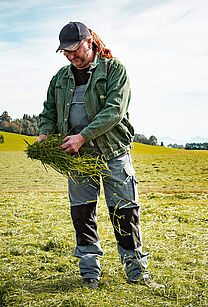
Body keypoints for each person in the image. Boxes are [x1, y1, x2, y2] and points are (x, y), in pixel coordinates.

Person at [37, 21, 163, 290]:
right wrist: (46, 133)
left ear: (89, 42)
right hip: (77, 159)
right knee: (82, 214)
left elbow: (114, 111)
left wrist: (83, 136)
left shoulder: (114, 70)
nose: (71, 56)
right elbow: (48, 112)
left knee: (124, 213)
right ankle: (90, 274)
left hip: (112, 153)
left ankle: (137, 272)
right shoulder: (60, 79)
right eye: (65, 52)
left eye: (74, 50)